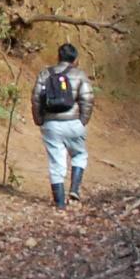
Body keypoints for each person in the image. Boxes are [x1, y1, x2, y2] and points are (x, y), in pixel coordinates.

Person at [31, 42, 94, 208]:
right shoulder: (80, 75)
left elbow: (36, 98)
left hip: (51, 124)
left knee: (56, 161)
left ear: (58, 57)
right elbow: (87, 99)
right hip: (73, 123)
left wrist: (39, 120)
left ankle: (59, 203)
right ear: (75, 59)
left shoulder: (45, 74)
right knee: (79, 155)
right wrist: (82, 121)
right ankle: (74, 190)